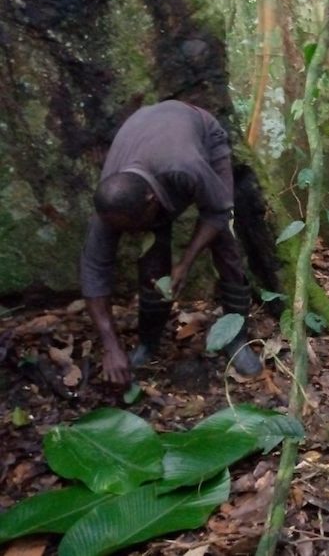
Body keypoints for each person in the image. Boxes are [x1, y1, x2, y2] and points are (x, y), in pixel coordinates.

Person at [80, 100, 264, 385]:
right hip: (147, 134)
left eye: (135, 227)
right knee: (153, 259)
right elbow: (94, 272)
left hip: (202, 136)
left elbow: (217, 211)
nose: (130, 234)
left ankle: (236, 337)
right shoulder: (112, 203)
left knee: (225, 246)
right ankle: (149, 341)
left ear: (152, 200)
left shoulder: (186, 167)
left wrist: (186, 262)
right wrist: (111, 346)